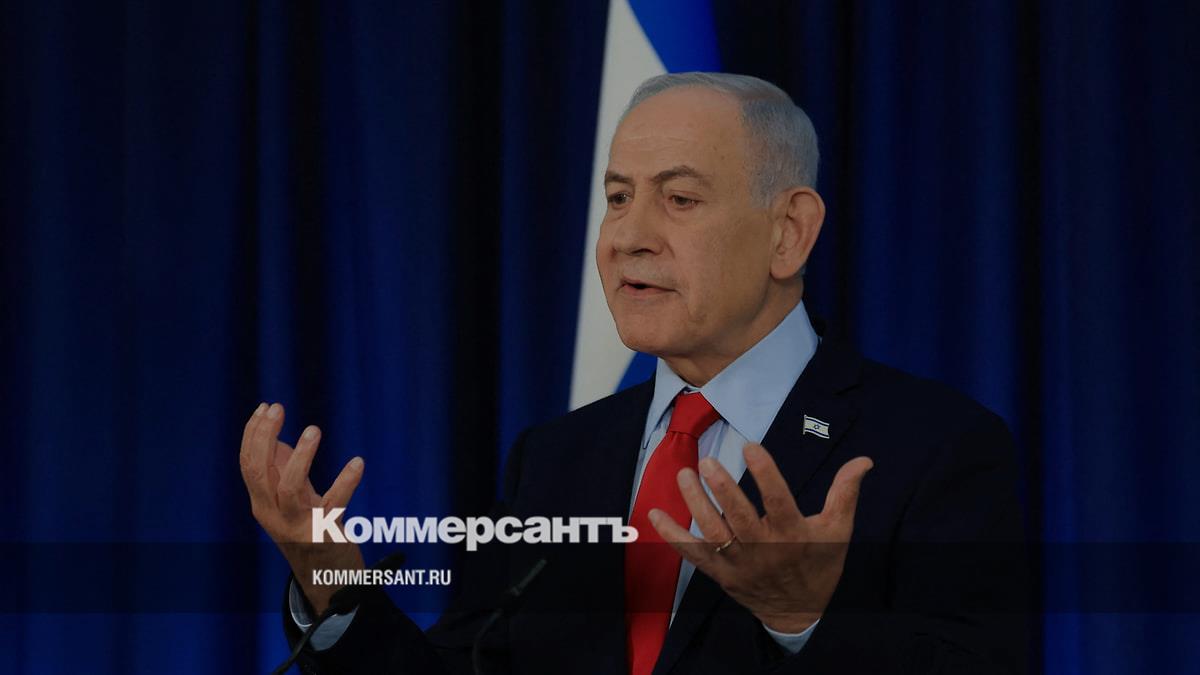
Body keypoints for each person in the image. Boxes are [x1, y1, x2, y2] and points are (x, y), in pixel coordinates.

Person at [240, 72, 1027, 674]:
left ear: (789, 232)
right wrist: (332, 583)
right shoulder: (556, 459)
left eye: (679, 199)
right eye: (618, 198)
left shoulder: (935, 448)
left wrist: (803, 621)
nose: (628, 236)